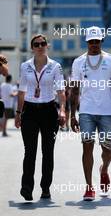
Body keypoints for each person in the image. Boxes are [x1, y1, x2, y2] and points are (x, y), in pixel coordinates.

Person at [70, 26, 111, 201]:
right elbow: (74, 90)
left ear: (101, 41)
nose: (94, 44)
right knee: (87, 147)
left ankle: (104, 169)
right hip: (86, 112)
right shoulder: (78, 62)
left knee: (108, 149)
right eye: (91, 41)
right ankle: (89, 187)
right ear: (86, 42)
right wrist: (72, 115)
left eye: (97, 41)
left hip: (107, 111)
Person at [15, 34, 66, 201]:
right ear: (32, 48)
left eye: (43, 43)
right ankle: (27, 188)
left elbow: (61, 91)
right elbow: (21, 91)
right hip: (29, 111)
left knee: (47, 152)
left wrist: (63, 110)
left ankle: (45, 188)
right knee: (30, 151)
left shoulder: (55, 66)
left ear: (47, 46)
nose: (40, 46)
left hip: (49, 111)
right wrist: (18, 113)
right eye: (36, 44)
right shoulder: (25, 66)